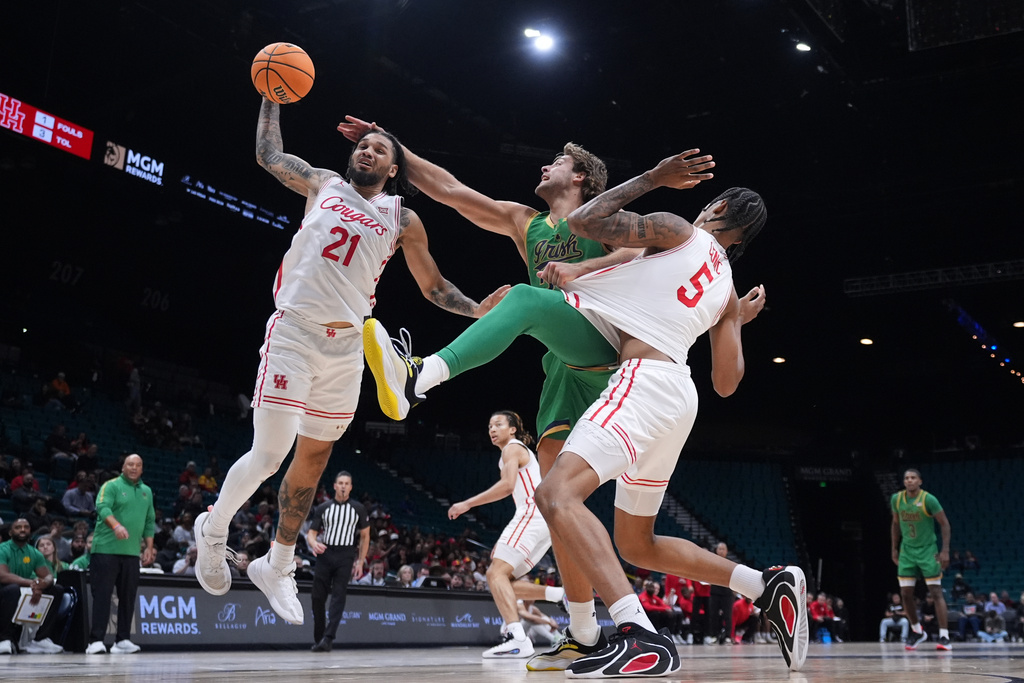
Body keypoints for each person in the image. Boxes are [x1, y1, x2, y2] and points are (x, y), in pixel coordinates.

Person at [365, 153, 794, 675]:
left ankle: (639, 635)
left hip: (632, 371)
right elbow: (726, 384)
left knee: (554, 489)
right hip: (678, 395)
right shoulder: (725, 289)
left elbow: (589, 224)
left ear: (717, 205)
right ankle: (760, 584)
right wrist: (737, 321)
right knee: (635, 540)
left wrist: (656, 178)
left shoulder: (677, 227)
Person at [193, 95, 507, 627]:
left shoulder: (403, 218)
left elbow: (432, 287)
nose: (367, 151)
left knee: (312, 460)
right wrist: (271, 97)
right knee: (271, 454)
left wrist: (478, 310)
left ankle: (279, 563)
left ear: (394, 167)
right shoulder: (322, 183)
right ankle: (214, 527)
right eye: (363, 144)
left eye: (379, 148)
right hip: (293, 331)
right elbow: (269, 154)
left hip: (346, 348)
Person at [447, 410, 567, 659]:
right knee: (505, 580)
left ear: (512, 429)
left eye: (498, 424)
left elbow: (507, 485)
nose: (492, 429)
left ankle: (517, 639)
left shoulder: (512, 448)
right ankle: (557, 594)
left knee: (494, 573)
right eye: (489, 425)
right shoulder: (515, 450)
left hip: (531, 513)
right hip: (543, 520)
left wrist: (466, 504)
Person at [86, 454, 155, 654]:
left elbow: (150, 520)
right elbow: (102, 507)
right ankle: (95, 641)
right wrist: (116, 526)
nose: (134, 468)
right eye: (130, 464)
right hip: (106, 550)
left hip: (132, 553)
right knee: (102, 596)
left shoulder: (147, 491)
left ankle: (122, 639)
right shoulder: (111, 486)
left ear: (142, 469)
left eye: (138, 465)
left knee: (128, 597)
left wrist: (149, 547)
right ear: (123, 467)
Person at [305, 471, 370, 653]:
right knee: (317, 597)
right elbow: (312, 533)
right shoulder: (323, 507)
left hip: (346, 553)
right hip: (325, 552)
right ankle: (319, 637)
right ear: (334, 486)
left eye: (346, 483)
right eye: (340, 482)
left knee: (338, 596)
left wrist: (360, 562)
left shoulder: (358, 508)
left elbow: (365, 536)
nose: (343, 486)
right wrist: (313, 543)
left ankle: (328, 637)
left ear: (350, 487)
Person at [891, 468, 952, 650]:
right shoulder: (897, 499)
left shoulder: (928, 499)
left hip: (927, 550)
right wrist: (893, 548)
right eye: (906, 478)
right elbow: (895, 524)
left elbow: (945, 524)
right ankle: (917, 631)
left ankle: (944, 636)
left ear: (920, 481)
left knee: (935, 592)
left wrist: (945, 550)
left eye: (913, 477)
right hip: (907, 551)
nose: (909, 480)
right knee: (905, 594)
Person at [0, 519, 66, 654]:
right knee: (12, 589)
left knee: (56, 589)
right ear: (11, 532)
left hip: (23, 589)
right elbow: (3, 576)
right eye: (18, 527)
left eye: (26, 527)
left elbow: (48, 576)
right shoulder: (2, 549)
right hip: (4, 591)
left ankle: (40, 639)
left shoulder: (34, 553)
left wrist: (42, 584)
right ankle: (3, 639)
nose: (23, 530)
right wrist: (31, 583)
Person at [707, 542, 735, 644]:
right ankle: (714, 636)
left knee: (727, 615)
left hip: (727, 593)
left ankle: (727, 636)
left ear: (727, 551)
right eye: (720, 549)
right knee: (713, 615)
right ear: (716, 550)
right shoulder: (712, 562)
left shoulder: (730, 563)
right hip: (715, 592)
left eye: (723, 549)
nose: (721, 551)